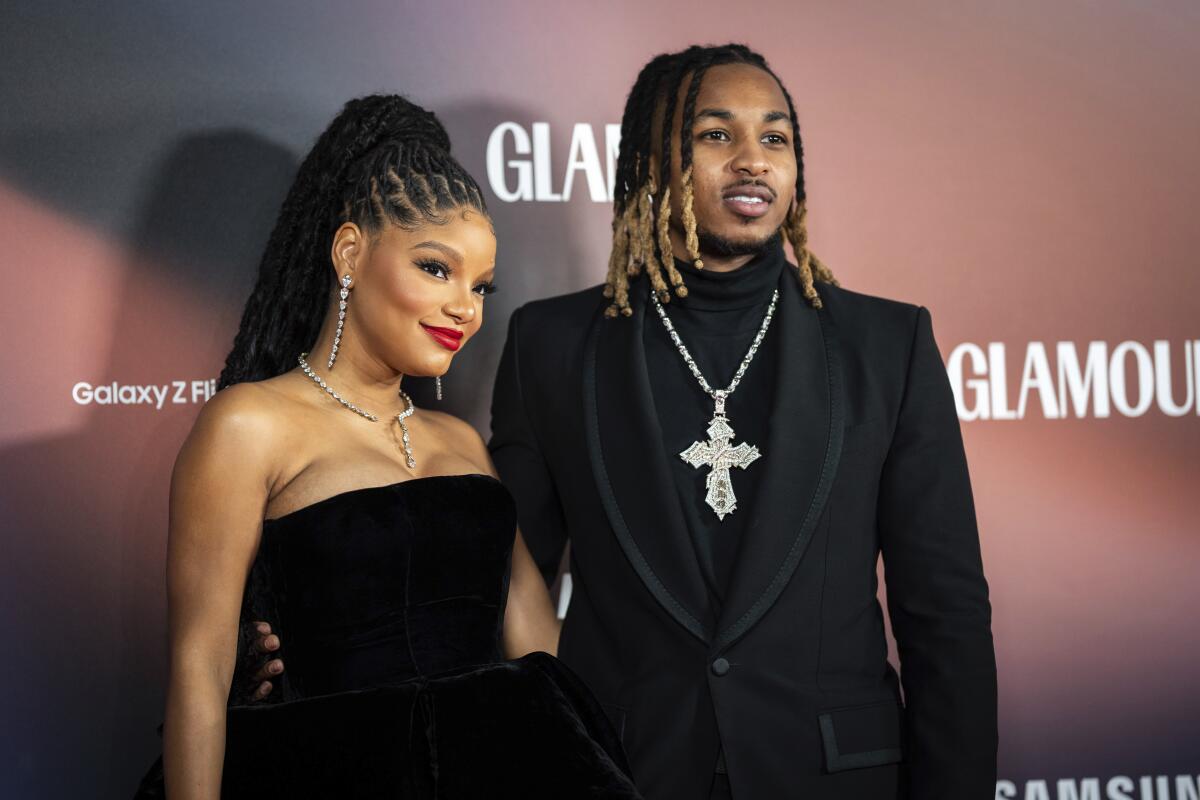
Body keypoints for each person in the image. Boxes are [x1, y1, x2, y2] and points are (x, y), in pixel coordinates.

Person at [251, 44, 998, 799]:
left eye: (774, 137)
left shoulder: (885, 345)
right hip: (623, 777)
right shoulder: (554, 346)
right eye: (715, 135)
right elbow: (495, 589)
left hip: (836, 780)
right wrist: (328, 635)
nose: (752, 160)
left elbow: (947, 618)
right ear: (650, 160)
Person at [135, 95, 641, 799]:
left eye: (482, 285)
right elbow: (199, 670)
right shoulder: (249, 425)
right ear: (350, 252)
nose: (467, 307)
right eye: (436, 269)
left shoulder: (460, 441)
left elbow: (539, 648)